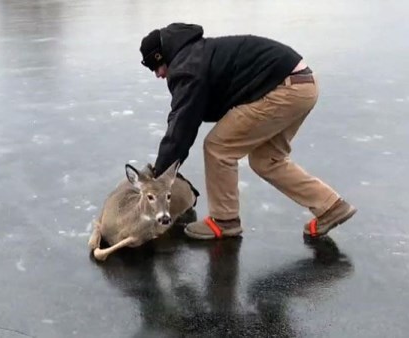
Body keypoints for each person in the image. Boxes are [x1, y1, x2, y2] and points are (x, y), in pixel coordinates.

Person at [139, 23, 357, 240]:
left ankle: (224, 221)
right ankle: (331, 207)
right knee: (267, 160)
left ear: (161, 56)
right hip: (304, 85)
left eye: (155, 67)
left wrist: (160, 173)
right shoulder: (195, 53)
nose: (157, 75)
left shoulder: (187, 66)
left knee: (218, 147)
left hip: (283, 88)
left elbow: (182, 123)